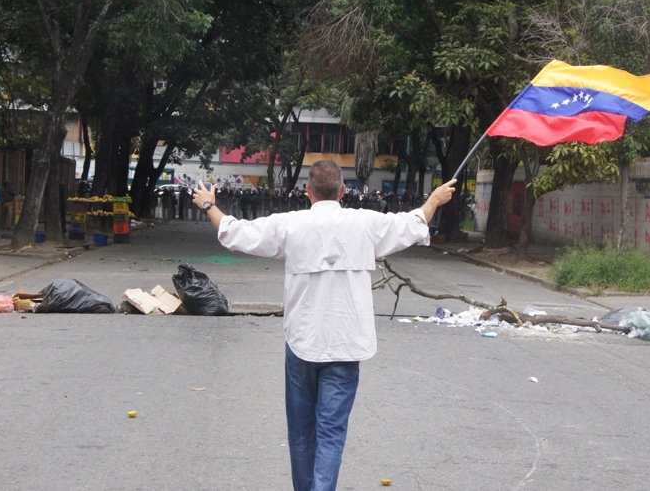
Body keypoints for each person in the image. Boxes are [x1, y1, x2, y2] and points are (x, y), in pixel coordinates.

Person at [192, 160, 456, 490]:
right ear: (343, 192)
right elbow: (411, 224)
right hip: (347, 345)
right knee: (331, 434)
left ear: (308, 192)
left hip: (302, 343)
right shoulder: (365, 223)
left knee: (302, 434)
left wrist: (208, 205)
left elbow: (236, 233)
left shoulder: (290, 225)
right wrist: (433, 200)